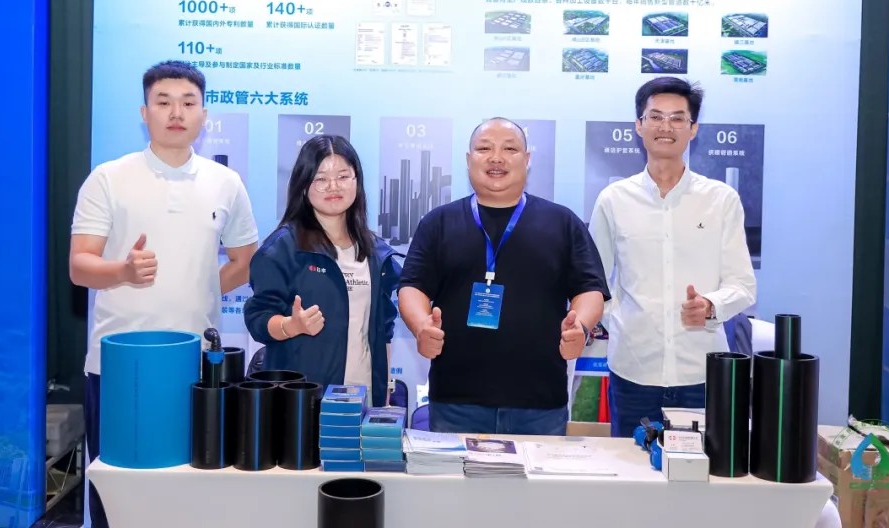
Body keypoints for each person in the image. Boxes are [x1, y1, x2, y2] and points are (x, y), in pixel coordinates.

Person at [69, 60, 258, 528]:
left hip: (197, 366)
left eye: (188, 103)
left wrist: (198, 285)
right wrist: (124, 271)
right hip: (119, 366)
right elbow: (80, 266)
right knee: (117, 490)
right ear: (144, 112)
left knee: (191, 491)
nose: (177, 112)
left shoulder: (225, 182)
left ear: (203, 115)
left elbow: (244, 261)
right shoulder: (109, 178)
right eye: (164, 102)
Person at [398, 117, 609, 436]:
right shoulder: (438, 222)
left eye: (510, 149)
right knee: (455, 473)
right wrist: (420, 326)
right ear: (469, 159)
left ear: (527, 159)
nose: (496, 158)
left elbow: (590, 288)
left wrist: (579, 326)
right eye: (484, 149)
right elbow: (412, 286)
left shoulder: (562, 222)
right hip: (456, 400)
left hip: (540, 403)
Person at [590, 77, 757, 438]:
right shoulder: (613, 200)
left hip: (701, 372)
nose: (665, 127)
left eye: (678, 118)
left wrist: (710, 305)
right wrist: (620, 318)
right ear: (639, 125)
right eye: (655, 116)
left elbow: (743, 285)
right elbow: (594, 282)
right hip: (633, 370)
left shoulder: (721, 200)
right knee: (630, 469)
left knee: (703, 472)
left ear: (693, 128)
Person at [244, 136, 400, 407]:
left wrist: (384, 388)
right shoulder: (283, 248)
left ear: (357, 181)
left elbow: (383, 329)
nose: (333, 186)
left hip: (363, 397)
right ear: (304, 186)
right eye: (321, 179)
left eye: (343, 176)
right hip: (303, 400)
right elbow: (258, 318)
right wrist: (290, 326)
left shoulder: (376, 251)